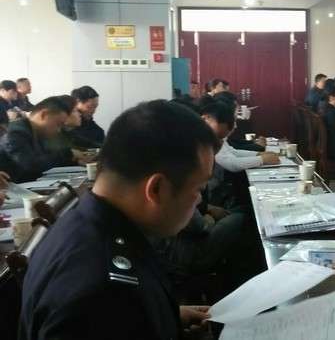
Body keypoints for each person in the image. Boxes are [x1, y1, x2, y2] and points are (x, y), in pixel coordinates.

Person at [20, 100, 218, 340]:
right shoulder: (105, 294)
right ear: (156, 189)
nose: (199, 200)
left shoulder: (85, 219)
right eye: (198, 188)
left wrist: (165, 316)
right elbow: (112, 314)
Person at [0, 97, 76, 183]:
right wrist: (68, 155)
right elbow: (31, 165)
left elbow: (50, 159)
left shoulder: (37, 132)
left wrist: (72, 158)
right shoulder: (15, 133)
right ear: (44, 114)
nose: (58, 130)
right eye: (58, 124)